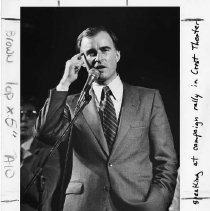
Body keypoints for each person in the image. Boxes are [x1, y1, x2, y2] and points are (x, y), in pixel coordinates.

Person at [35, 26, 178, 211]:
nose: (98, 58)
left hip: (137, 205)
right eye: (91, 53)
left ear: (117, 55)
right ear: (82, 61)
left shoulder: (148, 99)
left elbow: (166, 161)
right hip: (84, 205)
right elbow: (44, 133)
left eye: (105, 50)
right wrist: (65, 82)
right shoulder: (71, 103)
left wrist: (156, 204)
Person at [21, 96, 60, 211]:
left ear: (37, 120)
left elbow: (42, 196)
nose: (23, 118)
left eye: (30, 114)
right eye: (18, 114)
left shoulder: (48, 153)